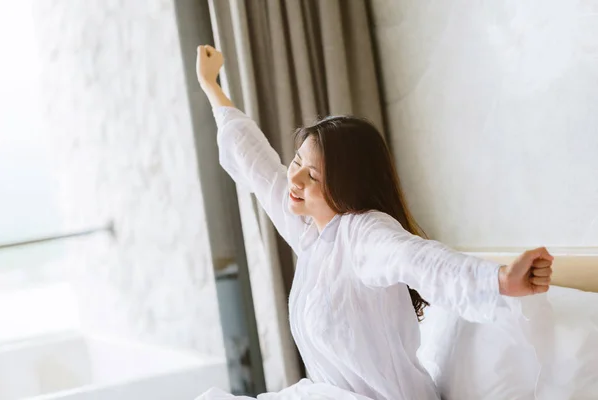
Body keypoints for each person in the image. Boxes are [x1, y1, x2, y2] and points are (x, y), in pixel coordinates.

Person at [194, 45, 553, 400]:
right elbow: (255, 163)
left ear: (347, 186)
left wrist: (500, 280)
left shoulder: (364, 234)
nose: (296, 179)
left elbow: (420, 260)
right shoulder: (312, 234)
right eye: (297, 161)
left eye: (314, 176)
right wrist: (211, 85)